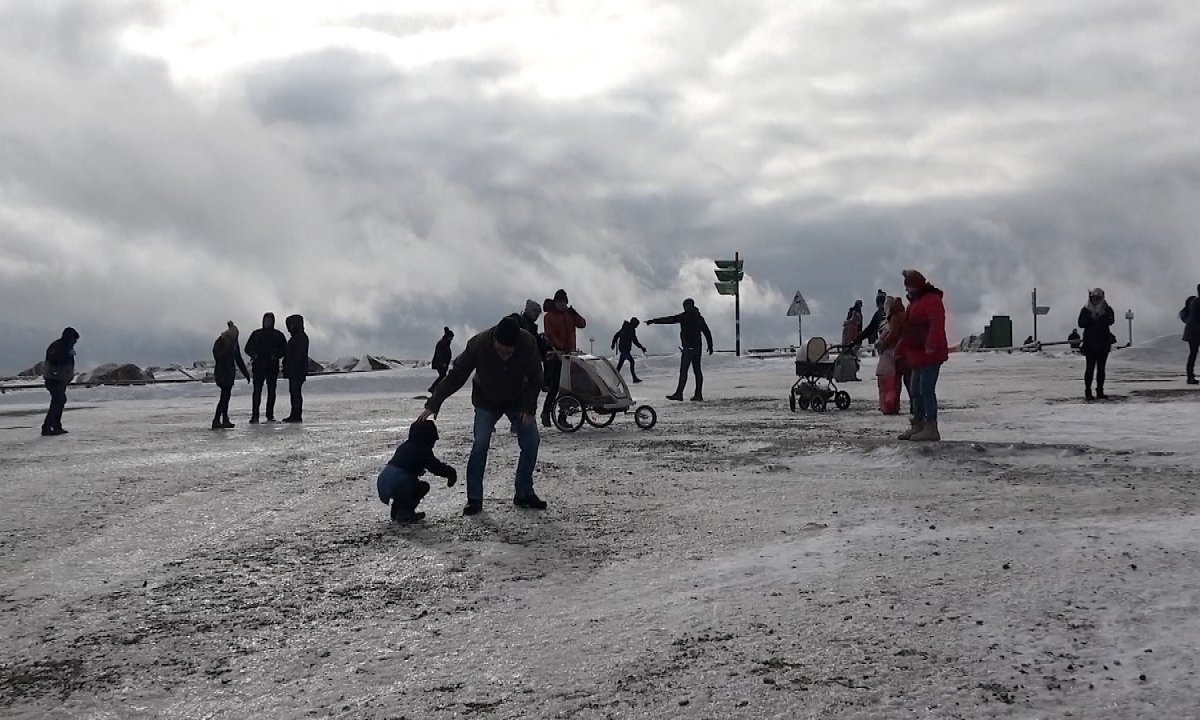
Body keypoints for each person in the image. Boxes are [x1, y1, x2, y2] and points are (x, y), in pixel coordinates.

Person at [418, 316, 544, 515]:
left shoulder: (528, 343)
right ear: (494, 339)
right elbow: (457, 375)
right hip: (486, 400)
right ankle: (474, 499)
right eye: (502, 350)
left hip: (517, 400)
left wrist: (529, 409)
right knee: (481, 443)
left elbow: (536, 377)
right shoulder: (478, 344)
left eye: (509, 351)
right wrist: (435, 402)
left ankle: (524, 493)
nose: (505, 355)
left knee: (531, 441)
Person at [897, 270, 949, 441]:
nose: (908, 290)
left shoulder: (932, 301)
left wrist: (931, 345)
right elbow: (908, 330)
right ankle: (918, 424)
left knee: (926, 390)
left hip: (930, 355)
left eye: (910, 286)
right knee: (915, 391)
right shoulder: (914, 303)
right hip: (916, 355)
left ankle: (931, 426)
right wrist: (901, 347)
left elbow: (936, 324)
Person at [377, 419, 457, 523]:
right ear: (428, 439)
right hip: (399, 481)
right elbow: (436, 467)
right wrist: (450, 473)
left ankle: (397, 512)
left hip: (384, 480)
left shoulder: (405, 446)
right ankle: (405, 513)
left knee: (405, 489)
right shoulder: (422, 450)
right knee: (421, 487)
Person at [647, 298, 714, 402]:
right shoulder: (699, 318)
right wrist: (710, 346)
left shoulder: (685, 317)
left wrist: (654, 321)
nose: (685, 307)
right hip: (697, 348)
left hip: (689, 348)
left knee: (684, 371)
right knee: (697, 371)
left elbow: (670, 319)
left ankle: (680, 394)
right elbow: (707, 332)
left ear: (689, 305)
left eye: (686, 305)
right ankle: (698, 394)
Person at [540, 289, 586, 427]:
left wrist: (574, 313)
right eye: (560, 302)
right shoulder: (549, 316)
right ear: (555, 302)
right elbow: (550, 334)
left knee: (570, 387)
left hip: (569, 355)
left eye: (564, 302)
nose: (562, 305)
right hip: (557, 355)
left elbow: (582, 324)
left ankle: (562, 416)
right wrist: (560, 348)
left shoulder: (569, 314)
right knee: (555, 386)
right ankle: (546, 412)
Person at [244, 312, 287, 423]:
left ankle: (269, 415)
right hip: (258, 367)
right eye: (266, 320)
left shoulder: (278, 335)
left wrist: (276, 356)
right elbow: (247, 348)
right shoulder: (256, 334)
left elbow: (284, 349)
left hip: (272, 367)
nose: (267, 322)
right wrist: (254, 355)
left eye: (269, 320)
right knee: (257, 391)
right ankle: (255, 415)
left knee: (271, 391)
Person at [41, 327, 80, 436]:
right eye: (74, 340)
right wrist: (58, 375)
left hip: (60, 380)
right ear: (70, 338)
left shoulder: (66, 348)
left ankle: (55, 426)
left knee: (58, 402)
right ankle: (48, 427)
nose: (75, 342)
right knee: (59, 401)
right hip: (54, 380)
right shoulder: (59, 348)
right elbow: (53, 364)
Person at [1078, 288, 1115, 401]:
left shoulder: (1107, 309)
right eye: (1094, 298)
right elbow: (1081, 323)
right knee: (1089, 368)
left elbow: (1111, 321)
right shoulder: (1085, 310)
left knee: (1101, 368)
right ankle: (1088, 391)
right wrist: (1092, 318)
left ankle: (1100, 391)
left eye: (1098, 298)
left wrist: (1101, 317)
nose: (1096, 300)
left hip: (1103, 343)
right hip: (1090, 343)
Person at [212, 321, 250, 429]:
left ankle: (224, 419)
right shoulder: (220, 342)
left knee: (226, 397)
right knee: (224, 397)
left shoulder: (234, 344)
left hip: (229, 373)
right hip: (222, 373)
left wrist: (246, 373)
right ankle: (217, 419)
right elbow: (218, 356)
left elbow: (238, 359)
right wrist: (227, 349)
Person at [874, 297, 905, 415]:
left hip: (881, 370)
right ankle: (892, 405)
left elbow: (882, 341)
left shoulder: (890, 325)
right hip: (892, 369)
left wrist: (880, 346)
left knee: (882, 390)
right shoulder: (901, 319)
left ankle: (884, 407)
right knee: (892, 390)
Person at [282, 314, 310, 422]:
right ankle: (295, 414)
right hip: (295, 370)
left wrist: (293, 367)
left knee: (295, 393)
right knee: (294, 393)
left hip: (297, 371)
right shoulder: (298, 337)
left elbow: (297, 356)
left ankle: (296, 415)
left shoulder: (300, 338)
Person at [611, 317, 648, 383]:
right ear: (634, 323)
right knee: (632, 362)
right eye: (636, 325)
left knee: (620, 365)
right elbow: (635, 341)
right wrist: (642, 347)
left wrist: (613, 344)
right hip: (625, 349)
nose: (636, 326)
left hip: (623, 349)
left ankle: (614, 379)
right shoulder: (631, 329)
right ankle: (634, 378)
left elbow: (616, 335)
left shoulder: (625, 327)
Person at [1180, 288, 1200, 384]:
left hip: (1192, 332)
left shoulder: (1194, 302)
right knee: (1193, 354)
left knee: (1193, 354)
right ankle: (1190, 377)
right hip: (1195, 332)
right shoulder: (1197, 302)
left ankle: (1190, 377)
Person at [429, 327, 454, 394]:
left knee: (443, 376)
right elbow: (440, 355)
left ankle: (437, 389)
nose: (452, 339)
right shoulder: (442, 343)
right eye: (451, 337)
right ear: (448, 337)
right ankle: (433, 388)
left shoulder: (445, 343)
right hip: (440, 364)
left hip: (443, 364)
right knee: (443, 376)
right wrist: (443, 363)